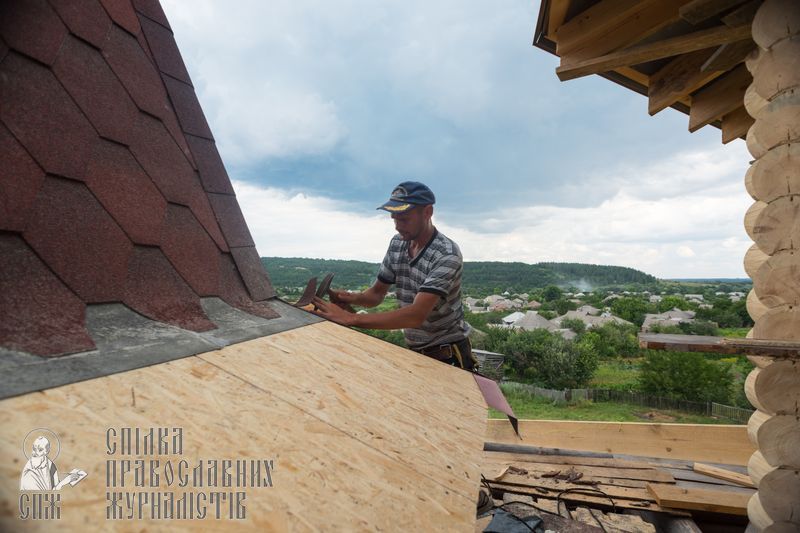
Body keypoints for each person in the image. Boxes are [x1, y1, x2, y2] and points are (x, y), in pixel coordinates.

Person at [313, 181, 476, 370]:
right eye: (394, 219)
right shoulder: (398, 243)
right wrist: (349, 298)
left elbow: (416, 315)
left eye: (404, 219)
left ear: (427, 212)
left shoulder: (446, 254)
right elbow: (375, 295)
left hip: (448, 356)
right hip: (416, 352)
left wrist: (350, 319)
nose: (398, 226)